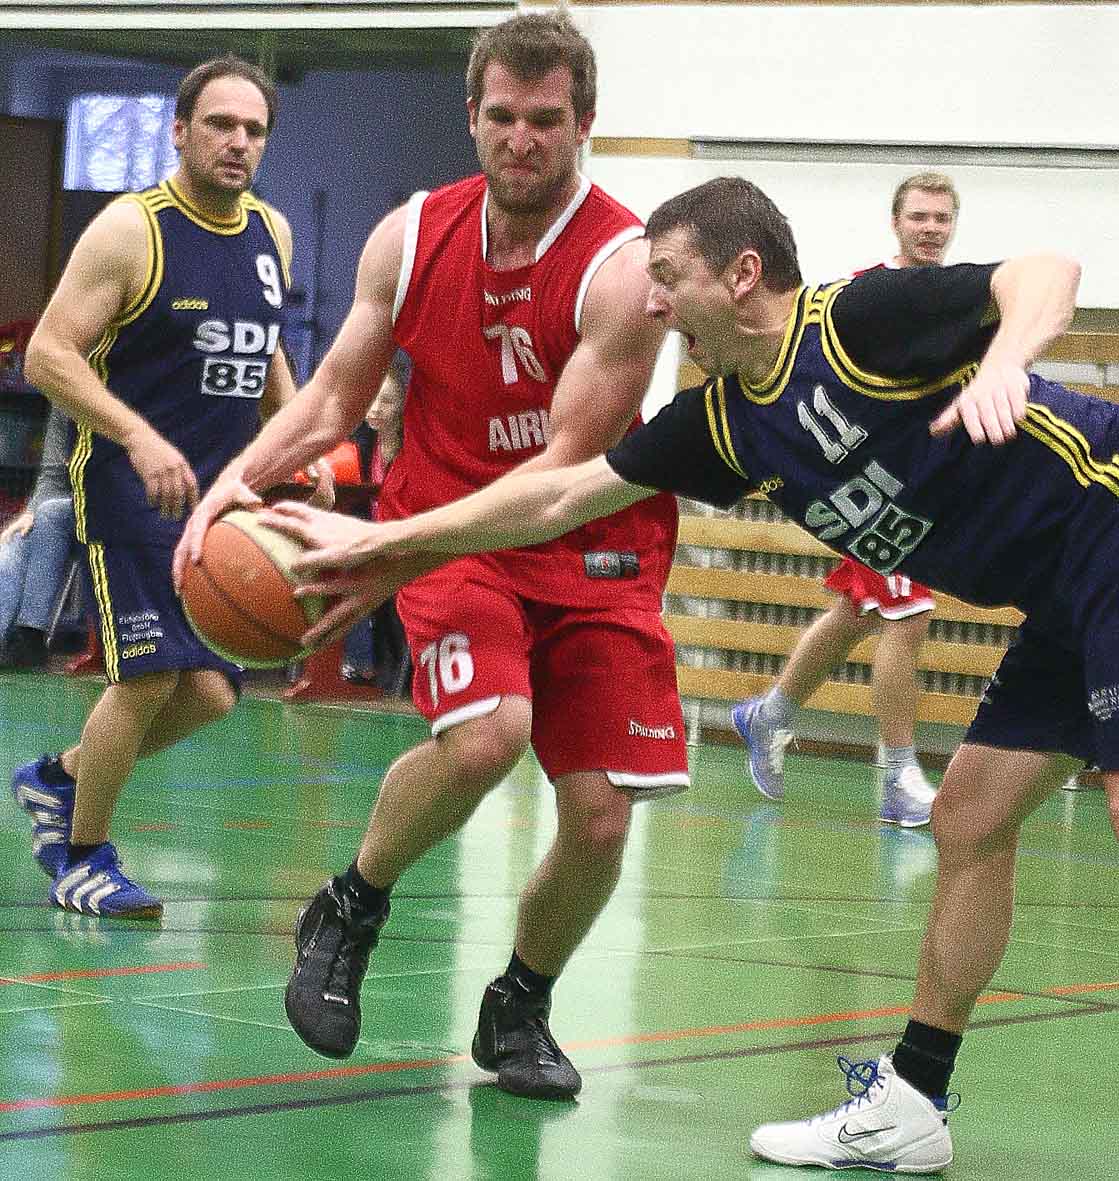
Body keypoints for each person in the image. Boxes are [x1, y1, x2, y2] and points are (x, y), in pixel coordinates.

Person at [255, 175, 1119, 1173]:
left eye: (669, 277)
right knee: (969, 818)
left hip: (1106, 512)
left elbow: (1047, 271)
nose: (654, 302)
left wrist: (1005, 362)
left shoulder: (855, 322)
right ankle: (914, 1103)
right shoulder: (726, 422)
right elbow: (558, 497)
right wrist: (390, 544)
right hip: (1061, 601)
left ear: (742, 273)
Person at [175, 13, 686, 1101]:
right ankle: (351, 901)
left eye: (544, 119)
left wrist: (389, 548)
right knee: (488, 734)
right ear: (472, 116)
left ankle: (520, 1003)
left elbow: (559, 473)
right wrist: (229, 484)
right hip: (455, 533)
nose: (520, 139)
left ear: (584, 124)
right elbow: (331, 399)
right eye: (501, 116)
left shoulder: (621, 268)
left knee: (600, 816)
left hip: (587, 539)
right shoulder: (408, 237)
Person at [10, 54, 328, 919]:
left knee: (213, 693)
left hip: (219, 498)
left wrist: (300, 440)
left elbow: (263, 346)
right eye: (220, 124)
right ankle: (83, 857)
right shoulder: (130, 230)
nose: (238, 141)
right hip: (128, 484)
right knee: (147, 678)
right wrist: (138, 435)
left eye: (254, 129)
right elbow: (47, 354)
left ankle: (58, 779)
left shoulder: (271, 232)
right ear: (180, 132)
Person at [731, 172, 961, 823]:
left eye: (941, 217)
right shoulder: (862, 295)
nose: (930, 228)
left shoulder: (954, 298)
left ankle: (768, 713)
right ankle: (898, 775)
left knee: (858, 611)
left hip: (920, 484)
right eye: (918, 216)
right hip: (869, 486)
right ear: (896, 222)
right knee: (907, 615)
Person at [0, 406, 80, 669]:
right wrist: (30, 512)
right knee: (13, 543)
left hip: (118, 507)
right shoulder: (64, 403)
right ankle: (17, 642)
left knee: (51, 513)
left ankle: (31, 632)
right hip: (70, 510)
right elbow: (52, 476)